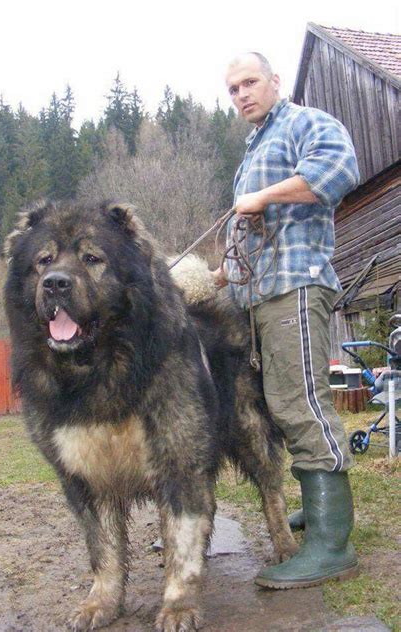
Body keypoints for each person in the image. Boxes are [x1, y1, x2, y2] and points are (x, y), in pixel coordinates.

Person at [214, 52, 360, 589]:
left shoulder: (307, 123)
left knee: (301, 405)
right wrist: (218, 277)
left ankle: (330, 545)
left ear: (276, 81)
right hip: (258, 297)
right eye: (232, 89)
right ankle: (321, 512)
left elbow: (338, 172)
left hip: (296, 286)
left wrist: (262, 196)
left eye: (250, 82)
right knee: (280, 406)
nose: (242, 94)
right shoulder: (253, 148)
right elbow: (248, 234)